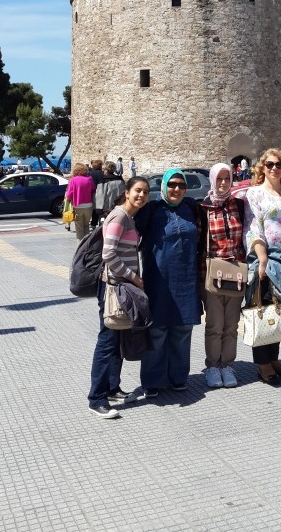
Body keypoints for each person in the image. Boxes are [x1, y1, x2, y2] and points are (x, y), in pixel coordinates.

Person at [88, 176, 150, 418]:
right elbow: (109, 254)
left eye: (145, 192)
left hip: (121, 287)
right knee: (107, 342)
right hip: (113, 287)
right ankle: (96, 398)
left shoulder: (129, 217)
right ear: (127, 192)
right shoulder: (119, 216)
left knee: (116, 341)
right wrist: (134, 278)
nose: (141, 195)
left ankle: (112, 389)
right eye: (137, 191)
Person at [137, 168, 201, 396]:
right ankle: (153, 380)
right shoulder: (152, 210)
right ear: (163, 186)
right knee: (157, 330)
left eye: (181, 185)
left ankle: (178, 377)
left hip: (186, 280)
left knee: (182, 330)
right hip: (158, 281)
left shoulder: (190, 208)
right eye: (172, 184)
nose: (176, 189)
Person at [243, 148, 281, 385]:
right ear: (262, 168)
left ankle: (273, 358)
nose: (274, 168)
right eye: (269, 165)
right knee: (262, 306)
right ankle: (263, 363)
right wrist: (262, 257)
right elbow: (252, 226)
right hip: (266, 257)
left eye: (279, 164)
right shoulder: (254, 193)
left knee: (278, 306)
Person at [198, 163, 246, 389]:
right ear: (212, 180)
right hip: (212, 273)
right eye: (219, 179)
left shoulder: (239, 205)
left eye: (227, 178)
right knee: (214, 325)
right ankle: (212, 366)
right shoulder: (204, 208)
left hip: (236, 272)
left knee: (231, 325)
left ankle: (227, 365)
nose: (224, 183)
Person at [65, 164, 96, 242]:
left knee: (79, 227)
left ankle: (80, 243)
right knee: (86, 225)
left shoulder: (73, 180)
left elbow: (69, 194)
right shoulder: (89, 179)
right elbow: (93, 190)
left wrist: (67, 202)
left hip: (77, 205)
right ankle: (87, 243)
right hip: (88, 205)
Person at [88, 159, 104, 228]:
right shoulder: (104, 173)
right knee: (102, 209)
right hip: (102, 192)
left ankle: (93, 223)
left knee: (94, 209)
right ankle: (101, 223)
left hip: (93, 192)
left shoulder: (90, 174)